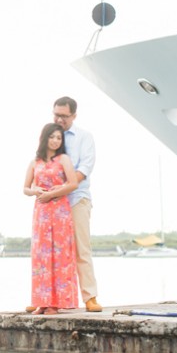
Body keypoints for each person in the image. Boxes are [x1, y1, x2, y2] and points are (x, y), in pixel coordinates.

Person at [23, 122, 79, 314]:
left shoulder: (64, 159)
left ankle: (55, 303)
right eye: (52, 137)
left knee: (59, 255)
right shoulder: (35, 162)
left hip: (60, 211)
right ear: (44, 138)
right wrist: (35, 191)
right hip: (41, 213)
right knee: (41, 255)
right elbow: (25, 188)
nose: (55, 141)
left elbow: (73, 184)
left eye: (59, 138)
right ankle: (42, 301)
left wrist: (52, 194)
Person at [53, 95, 101, 312]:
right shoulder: (49, 135)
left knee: (82, 249)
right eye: (56, 115)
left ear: (74, 115)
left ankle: (90, 296)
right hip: (53, 202)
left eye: (64, 116)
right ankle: (48, 299)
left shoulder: (84, 137)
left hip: (76, 199)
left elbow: (84, 169)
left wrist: (64, 187)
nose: (59, 119)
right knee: (52, 251)